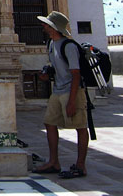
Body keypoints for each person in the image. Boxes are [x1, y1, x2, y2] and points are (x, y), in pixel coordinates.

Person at [33, 11, 89, 178]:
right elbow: (55, 67)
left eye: (46, 24)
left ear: (53, 27)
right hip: (57, 91)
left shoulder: (69, 46)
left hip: (72, 91)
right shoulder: (51, 44)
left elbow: (76, 74)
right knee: (50, 123)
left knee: (80, 127)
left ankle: (80, 165)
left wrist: (71, 101)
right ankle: (53, 162)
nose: (43, 26)